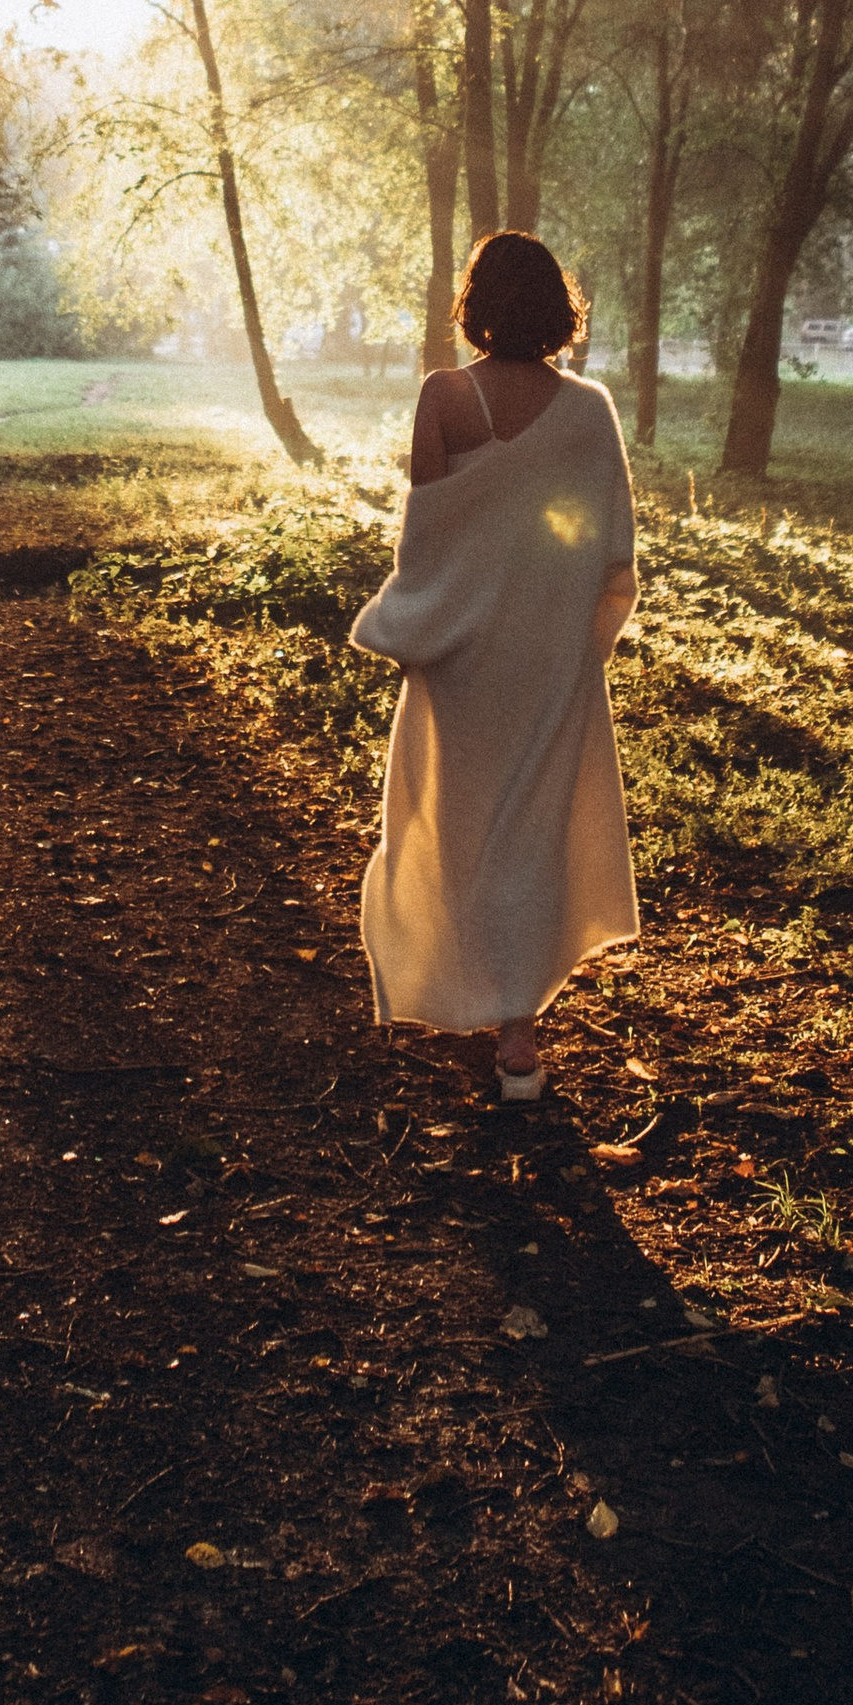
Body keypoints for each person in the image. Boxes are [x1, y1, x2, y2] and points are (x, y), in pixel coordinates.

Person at [349, 230, 640, 1103]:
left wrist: (426, 623)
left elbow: (426, 546)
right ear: (557, 310)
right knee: (530, 833)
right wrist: (574, 643)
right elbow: (610, 555)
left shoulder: (443, 397)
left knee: (460, 822)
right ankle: (518, 1032)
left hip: (461, 652)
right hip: (548, 659)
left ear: (473, 307)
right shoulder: (590, 411)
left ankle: (470, 986)